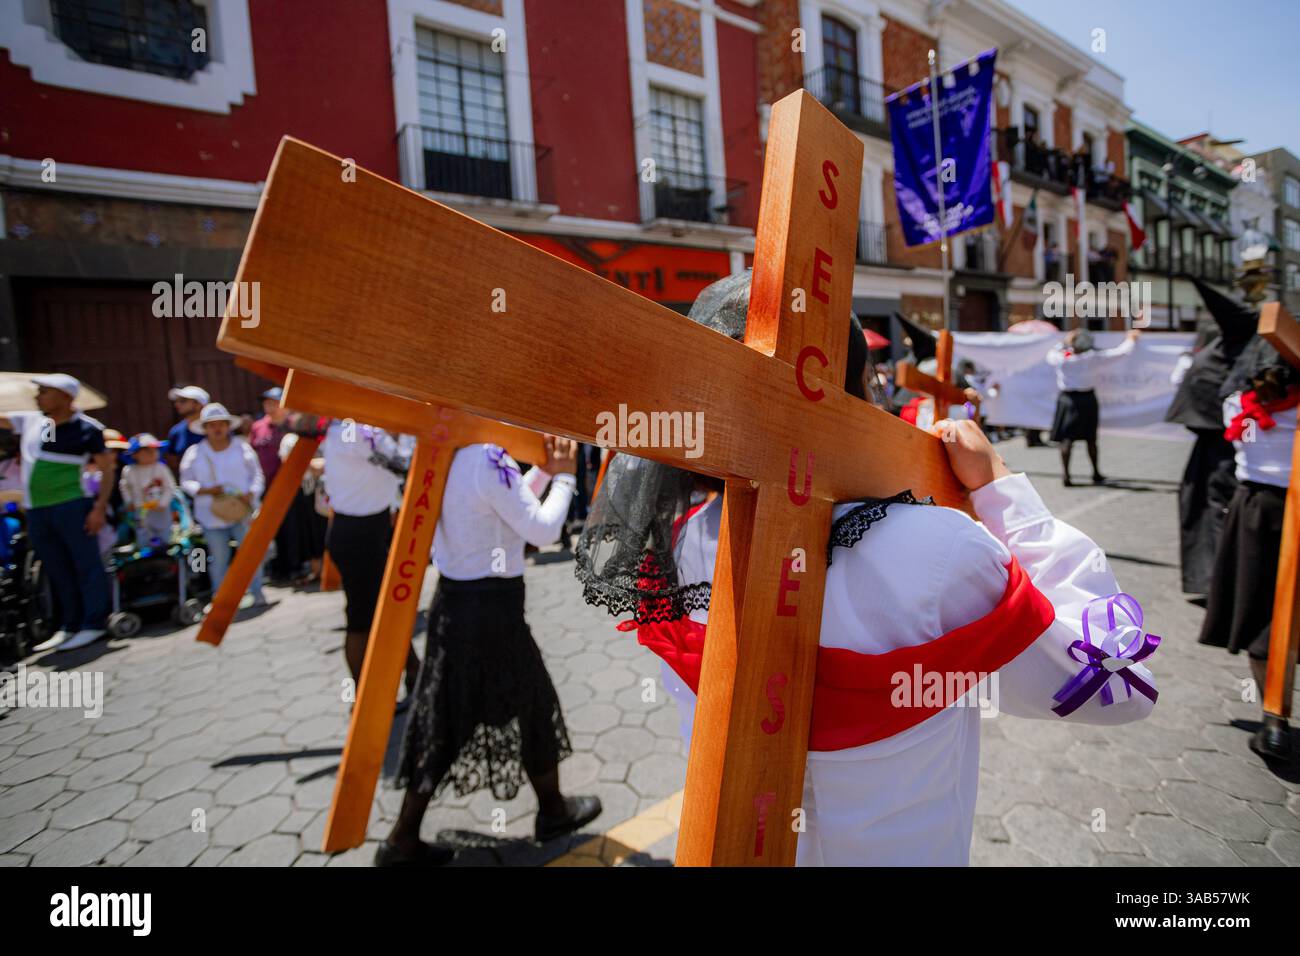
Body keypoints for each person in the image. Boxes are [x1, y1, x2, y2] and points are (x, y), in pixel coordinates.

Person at [574, 272, 1156, 866]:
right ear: (855, 391)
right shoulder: (941, 550)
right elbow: (1117, 684)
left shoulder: (684, 543)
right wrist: (1005, 493)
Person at [378, 434, 600, 866]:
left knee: (445, 717)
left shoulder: (444, 452)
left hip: (455, 604)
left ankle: (401, 839)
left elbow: (500, 503)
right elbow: (543, 528)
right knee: (531, 704)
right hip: (493, 612)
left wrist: (545, 473)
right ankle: (552, 812)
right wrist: (568, 479)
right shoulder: (487, 455)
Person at [1197, 334, 1298, 758]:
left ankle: (1274, 719)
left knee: (1262, 614)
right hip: (1274, 508)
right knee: (1274, 616)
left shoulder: (1239, 405)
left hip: (1257, 509)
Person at [0, 374, 115, 652]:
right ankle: (69, 626)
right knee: (57, 568)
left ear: (66, 397)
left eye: (45, 392)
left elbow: (107, 470)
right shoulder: (31, 421)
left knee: (85, 565)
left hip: (73, 506)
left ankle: (94, 624)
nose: (38, 397)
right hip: (38, 511)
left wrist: (99, 509)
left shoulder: (88, 429)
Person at [314, 417, 421, 702]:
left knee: (383, 610)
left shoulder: (358, 429)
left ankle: (414, 672)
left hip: (367, 533)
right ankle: (365, 700)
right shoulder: (353, 430)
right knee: (362, 619)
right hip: (357, 536)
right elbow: (403, 464)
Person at [1165, 279, 1256, 596]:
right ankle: (1221, 583)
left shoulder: (1227, 353)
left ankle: (1218, 582)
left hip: (1224, 446)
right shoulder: (1231, 356)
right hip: (1225, 449)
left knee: (1216, 510)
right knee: (1218, 512)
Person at [180, 402, 267, 609]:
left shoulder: (242, 447)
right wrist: (206, 490)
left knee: (250, 553)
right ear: (205, 429)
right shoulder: (195, 452)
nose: (217, 429)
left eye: (221, 424)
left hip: (242, 510)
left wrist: (252, 493)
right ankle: (222, 599)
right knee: (218, 558)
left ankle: (257, 592)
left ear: (228, 426)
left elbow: (256, 474)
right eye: (212, 425)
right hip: (211, 514)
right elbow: (186, 481)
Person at [1046, 327, 1140, 486]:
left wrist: (1066, 342)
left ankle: (1066, 475)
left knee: (1067, 439)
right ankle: (1095, 473)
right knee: (1091, 439)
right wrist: (1131, 339)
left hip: (1068, 399)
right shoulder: (1093, 357)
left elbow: (1052, 353)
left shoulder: (1062, 357)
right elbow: (1120, 352)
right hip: (1087, 399)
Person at [120, 433, 178, 548]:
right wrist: (129, 501)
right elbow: (124, 487)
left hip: (160, 509)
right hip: (141, 509)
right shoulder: (129, 471)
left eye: (155, 450)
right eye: (147, 451)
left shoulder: (161, 468)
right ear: (135, 454)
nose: (152, 453)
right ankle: (146, 556)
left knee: (164, 535)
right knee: (143, 533)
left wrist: (163, 503)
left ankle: (164, 554)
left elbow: (170, 487)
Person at [165, 385, 209, 471]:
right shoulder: (175, 431)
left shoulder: (215, 428)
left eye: (183, 401)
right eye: (177, 401)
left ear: (198, 404)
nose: (177, 404)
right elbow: (172, 462)